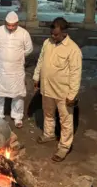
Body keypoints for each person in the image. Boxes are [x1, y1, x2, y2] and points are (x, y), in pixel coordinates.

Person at [32, 17, 82, 162]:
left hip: (63, 92)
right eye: (52, 34)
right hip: (47, 89)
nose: (53, 37)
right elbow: (41, 60)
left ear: (65, 32)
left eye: (56, 35)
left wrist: (72, 95)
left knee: (65, 120)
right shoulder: (47, 43)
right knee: (48, 113)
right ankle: (49, 134)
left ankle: (64, 147)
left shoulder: (73, 49)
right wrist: (36, 77)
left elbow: (75, 73)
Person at [0, 11, 33, 128]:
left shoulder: (24, 33)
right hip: (1, 69)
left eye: (13, 25)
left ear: (18, 23)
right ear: (5, 22)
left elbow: (29, 49)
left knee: (18, 94)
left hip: (17, 70)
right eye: (8, 25)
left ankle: (17, 116)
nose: (11, 27)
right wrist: (3, 55)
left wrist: (17, 56)